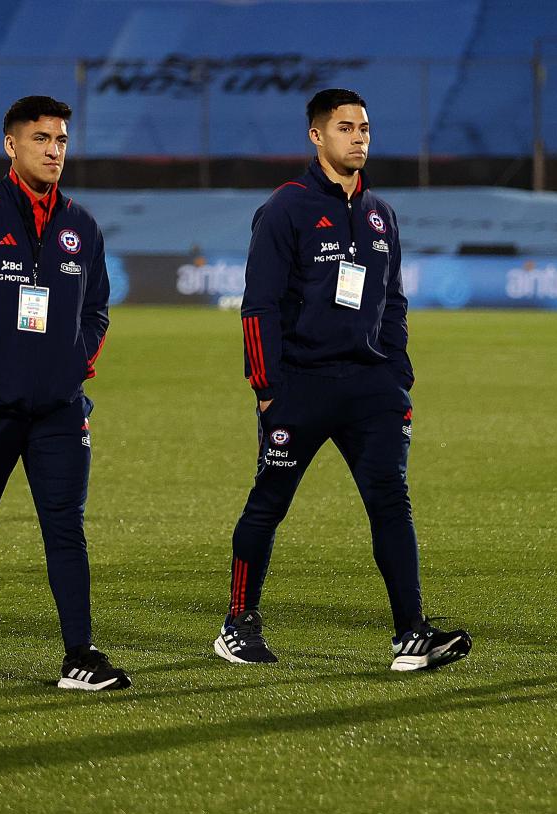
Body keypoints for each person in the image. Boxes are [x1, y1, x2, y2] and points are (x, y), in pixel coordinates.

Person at [215, 88, 472, 672]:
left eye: (365, 127)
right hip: (300, 386)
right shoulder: (286, 207)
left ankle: (411, 634)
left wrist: (397, 372)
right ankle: (238, 624)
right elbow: (258, 306)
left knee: (391, 502)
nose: (359, 136)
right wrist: (267, 389)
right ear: (317, 136)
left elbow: (395, 301)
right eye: (346, 127)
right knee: (269, 505)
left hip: (371, 388)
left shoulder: (381, 213)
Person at [0, 95, 130, 690]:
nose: (55, 150)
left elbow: (97, 310)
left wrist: (75, 365)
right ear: (12, 145)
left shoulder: (82, 225)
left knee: (66, 526)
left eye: (62, 140)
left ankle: (80, 654)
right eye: (42, 139)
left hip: (60, 412)